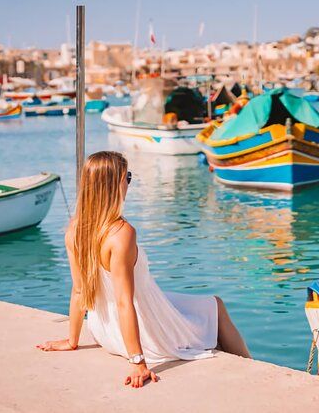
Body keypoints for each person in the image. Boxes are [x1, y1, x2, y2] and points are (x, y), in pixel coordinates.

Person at [37, 151, 250, 388]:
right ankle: (252, 370)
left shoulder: (74, 230)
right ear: (113, 185)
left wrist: (72, 340)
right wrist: (138, 361)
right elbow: (124, 302)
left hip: (104, 329)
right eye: (126, 177)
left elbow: (78, 291)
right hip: (145, 331)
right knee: (215, 306)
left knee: (201, 311)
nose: (129, 183)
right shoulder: (121, 234)